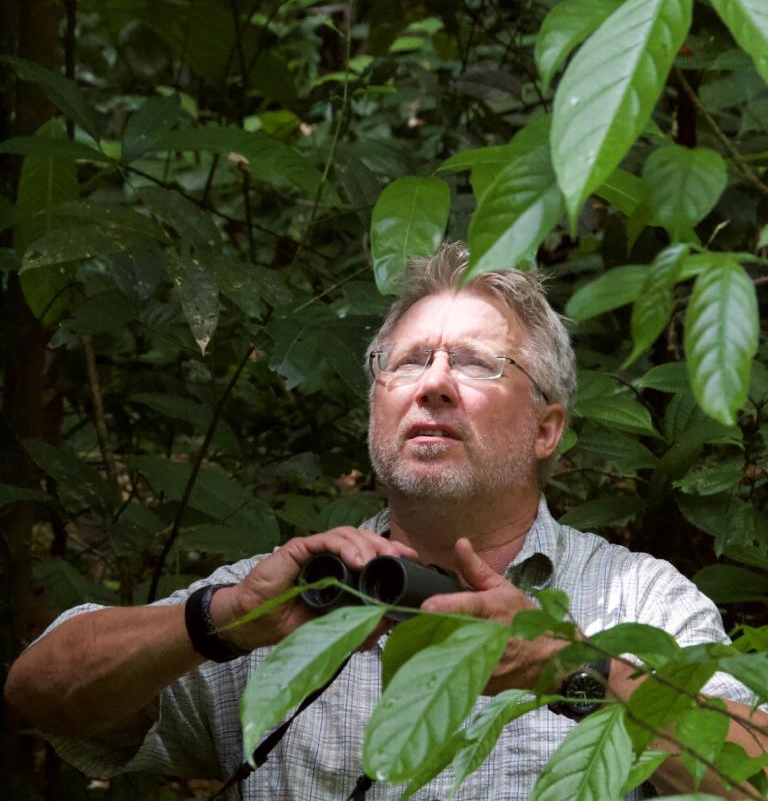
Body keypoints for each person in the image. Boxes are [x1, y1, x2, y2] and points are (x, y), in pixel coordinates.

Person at [6, 242, 767, 800]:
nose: (433, 382)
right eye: (407, 361)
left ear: (547, 428)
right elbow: (40, 689)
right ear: (376, 407)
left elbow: (756, 771)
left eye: (473, 362)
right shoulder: (292, 592)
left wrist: (567, 666)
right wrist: (220, 619)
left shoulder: (635, 599)